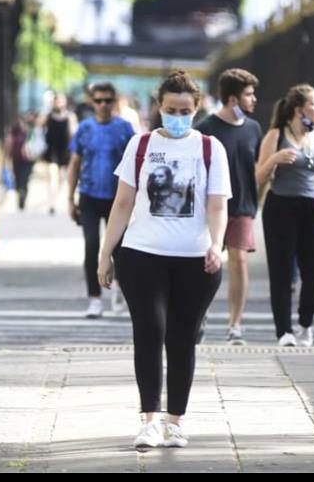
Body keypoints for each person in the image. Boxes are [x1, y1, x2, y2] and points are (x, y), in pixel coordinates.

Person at [96, 70, 231, 450]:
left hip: (195, 259)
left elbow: (217, 204)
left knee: (182, 338)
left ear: (197, 108)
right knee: (150, 332)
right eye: (170, 109)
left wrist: (216, 246)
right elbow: (122, 204)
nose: (177, 116)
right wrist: (105, 254)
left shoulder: (210, 148)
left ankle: (175, 421)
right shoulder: (140, 146)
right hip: (142, 255)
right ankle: (150, 420)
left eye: (184, 110)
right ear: (159, 107)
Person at [255, 84, 314, 347]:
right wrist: (275, 160)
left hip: (313, 208)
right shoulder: (276, 135)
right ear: (298, 110)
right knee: (282, 271)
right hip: (280, 207)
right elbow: (258, 177)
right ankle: (284, 331)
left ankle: (305, 323)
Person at [196, 68, 263, 345]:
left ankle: (235, 325)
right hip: (209, 207)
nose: (254, 99)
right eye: (249, 94)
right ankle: (199, 315)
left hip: (242, 206)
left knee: (240, 261)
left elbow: (257, 168)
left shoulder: (253, 129)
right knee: (204, 265)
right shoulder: (205, 130)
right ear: (233, 99)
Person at [67, 82, 136, 319]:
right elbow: (74, 163)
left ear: (114, 102)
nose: (103, 105)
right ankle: (94, 299)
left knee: (119, 248)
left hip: (118, 198)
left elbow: (136, 164)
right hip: (89, 194)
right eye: (99, 100)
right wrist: (70, 198)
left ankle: (119, 288)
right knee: (91, 245)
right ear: (91, 102)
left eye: (108, 100)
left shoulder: (125, 128)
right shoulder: (85, 128)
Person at [44, 93, 78, 215]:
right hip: (52, 150)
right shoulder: (48, 116)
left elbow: (74, 134)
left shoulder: (70, 116)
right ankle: (52, 202)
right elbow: (39, 129)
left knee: (63, 177)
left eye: (61, 101)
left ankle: (56, 198)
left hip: (65, 151)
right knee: (53, 175)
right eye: (56, 101)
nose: (58, 103)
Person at [5, 113, 36, 210]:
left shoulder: (32, 131)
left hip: (28, 160)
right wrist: (7, 156)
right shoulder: (14, 130)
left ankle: (23, 195)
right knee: (18, 179)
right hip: (16, 158)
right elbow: (9, 143)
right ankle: (20, 193)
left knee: (25, 179)